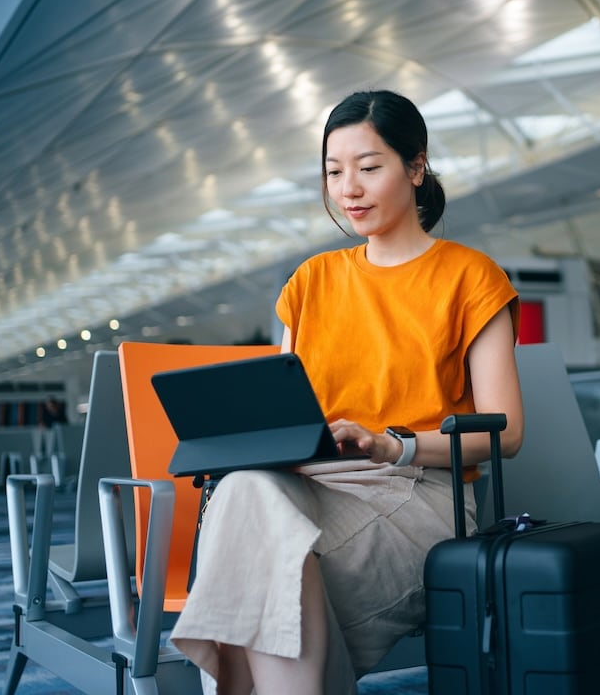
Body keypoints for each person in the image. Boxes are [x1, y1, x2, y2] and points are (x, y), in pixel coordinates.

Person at [170, 89, 524, 694]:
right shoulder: (311, 282)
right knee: (244, 490)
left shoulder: (471, 276)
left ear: (416, 168)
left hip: (415, 492)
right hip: (308, 486)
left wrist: (394, 446)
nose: (349, 189)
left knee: (260, 563)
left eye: (368, 167)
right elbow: (278, 411)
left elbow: (505, 433)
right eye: (334, 172)